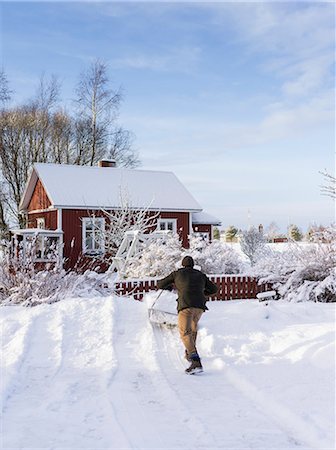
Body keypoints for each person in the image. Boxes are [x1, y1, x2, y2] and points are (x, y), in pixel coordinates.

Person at [157, 255, 218, 374]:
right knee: (193, 329)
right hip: (199, 307)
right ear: (193, 265)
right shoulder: (201, 275)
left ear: (182, 264)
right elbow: (214, 289)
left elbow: (160, 284)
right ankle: (190, 353)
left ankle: (195, 361)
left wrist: (170, 286)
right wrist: (202, 293)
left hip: (185, 306)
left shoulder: (177, 274)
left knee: (184, 331)